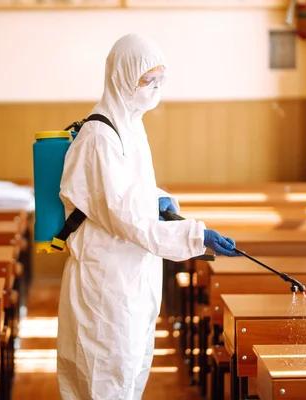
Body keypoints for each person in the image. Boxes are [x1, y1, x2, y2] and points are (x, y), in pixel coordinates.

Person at [56, 33, 240, 400]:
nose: (154, 89)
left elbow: (132, 189)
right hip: (105, 281)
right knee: (103, 379)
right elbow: (129, 221)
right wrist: (195, 235)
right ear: (122, 76)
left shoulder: (130, 123)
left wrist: (162, 200)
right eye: (147, 80)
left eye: (159, 80)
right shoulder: (99, 135)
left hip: (133, 277)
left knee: (129, 375)